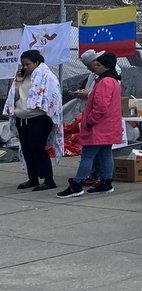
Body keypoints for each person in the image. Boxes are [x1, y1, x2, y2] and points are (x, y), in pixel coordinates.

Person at [59, 52, 123, 197]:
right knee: (106, 154)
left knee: (87, 156)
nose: (95, 67)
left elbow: (100, 107)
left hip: (99, 127)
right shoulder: (113, 81)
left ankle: (77, 184)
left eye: (98, 65)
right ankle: (106, 182)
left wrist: (89, 122)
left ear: (105, 67)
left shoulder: (105, 82)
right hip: (109, 126)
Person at [3, 49, 64, 191]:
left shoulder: (47, 76)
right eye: (23, 64)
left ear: (37, 63)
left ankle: (48, 179)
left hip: (39, 118)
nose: (24, 67)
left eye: (27, 64)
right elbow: (14, 96)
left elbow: (53, 97)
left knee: (37, 149)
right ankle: (33, 178)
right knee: (27, 149)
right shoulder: (21, 77)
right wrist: (18, 83)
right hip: (22, 119)